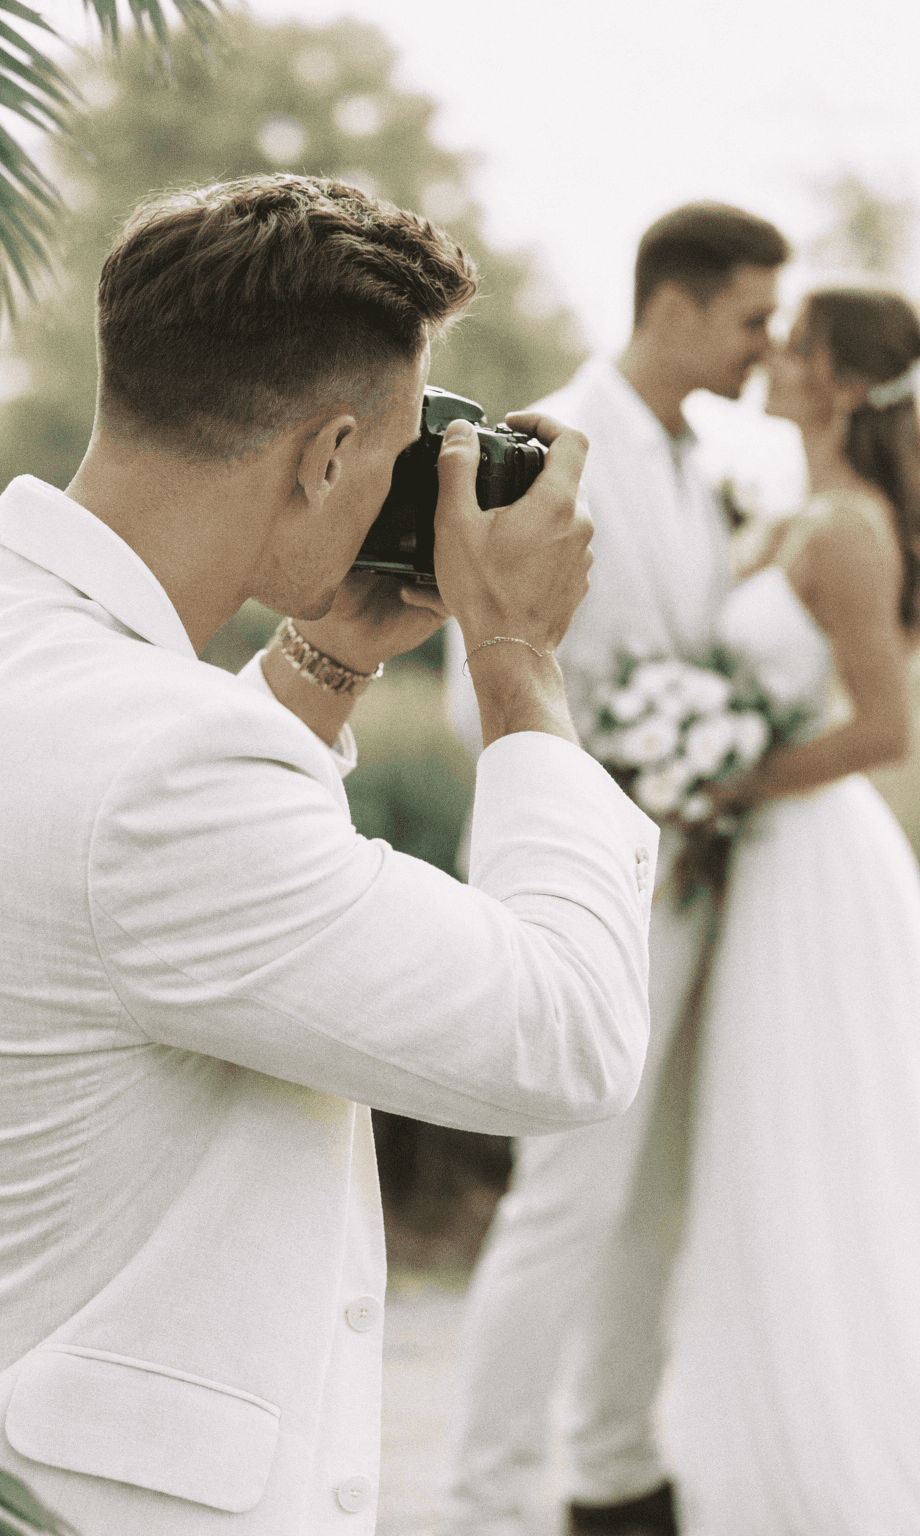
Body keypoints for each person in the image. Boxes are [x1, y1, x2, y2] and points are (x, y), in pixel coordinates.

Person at [0, 175, 660, 1536]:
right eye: (385, 455)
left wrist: (332, 652)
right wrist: (517, 655)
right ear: (327, 455)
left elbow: (116, 881)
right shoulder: (165, 768)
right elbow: (567, 1036)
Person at [442, 203, 790, 1536]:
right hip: (583, 879)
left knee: (653, 1200)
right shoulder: (545, 442)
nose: (766, 346)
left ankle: (610, 1474)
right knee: (561, 1207)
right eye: (753, 318)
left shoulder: (704, 462)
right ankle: (477, 1507)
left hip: (696, 880)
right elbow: (493, 668)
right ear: (677, 306)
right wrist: (626, 793)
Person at [659, 287, 920, 1533]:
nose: (772, 354)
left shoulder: (853, 531)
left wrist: (723, 781)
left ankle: (840, 1456)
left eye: (796, 341)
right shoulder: (775, 514)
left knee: (822, 1146)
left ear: (844, 384)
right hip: (760, 865)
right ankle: (745, 1441)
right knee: (754, 1149)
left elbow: (883, 727)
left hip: (819, 867)